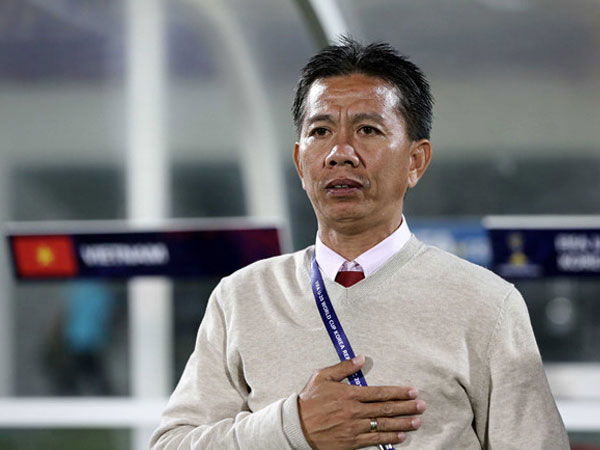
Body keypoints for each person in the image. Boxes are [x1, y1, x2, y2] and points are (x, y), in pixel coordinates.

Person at [150, 38, 569, 450]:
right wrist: (292, 427)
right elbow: (171, 444)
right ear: (300, 162)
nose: (340, 153)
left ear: (416, 161)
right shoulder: (242, 298)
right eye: (320, 131)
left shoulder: (486, 303)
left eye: (367, 130)